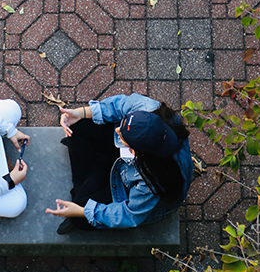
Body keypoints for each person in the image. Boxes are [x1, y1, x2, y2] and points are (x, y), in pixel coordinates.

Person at [46, 93, 192, 234]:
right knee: (78, 125)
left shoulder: (152, 182)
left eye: (123, 136)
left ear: (137, 151)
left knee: (80, 217)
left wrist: (81, 211)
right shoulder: (147, 108)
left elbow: (129, 215)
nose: (117, 130)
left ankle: (86, 182)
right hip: (126, 161)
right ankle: (87, 182)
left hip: (126, 185)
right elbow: (118, 105)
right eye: (123, 124)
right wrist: (80, 113)